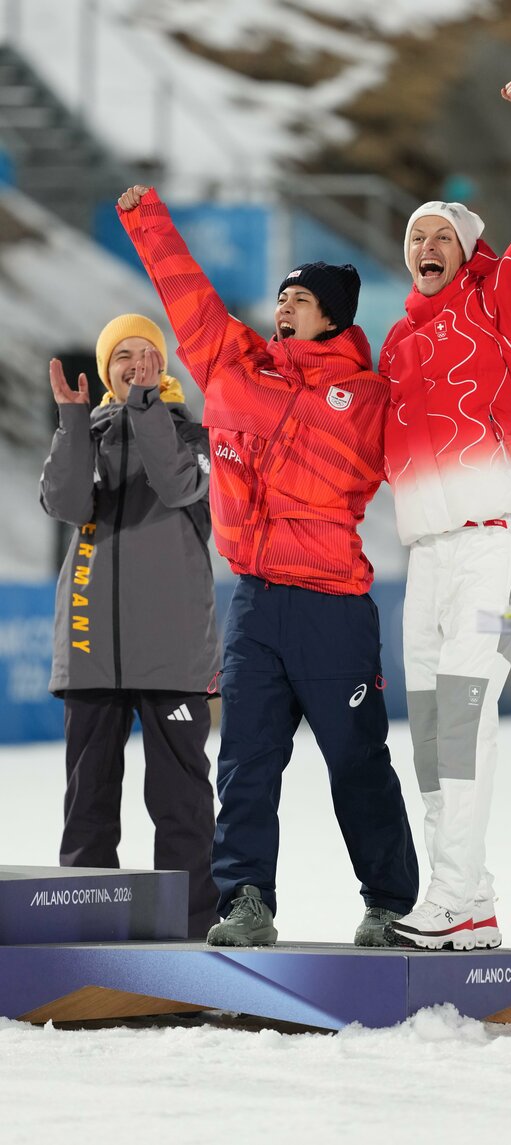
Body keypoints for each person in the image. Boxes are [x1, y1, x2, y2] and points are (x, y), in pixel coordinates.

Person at [116, 185, 419, 948]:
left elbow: (443, 443)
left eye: (302, 298)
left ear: (335, 314)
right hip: (254, 602)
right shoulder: (233, 365)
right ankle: (246, 899)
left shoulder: (373, 395)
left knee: (357, 764)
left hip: (334, 606)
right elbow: (185, 293)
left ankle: (390, 903)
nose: (284, 305)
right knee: (246, 761)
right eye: (281, 294)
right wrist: (147, 219)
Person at [380, 72, 511, 950]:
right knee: (428, 731)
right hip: (428, 554)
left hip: (491, 546)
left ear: (464, 249)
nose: (425, 243)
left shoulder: (501, 307)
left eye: (439, 233)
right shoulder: (397, 342)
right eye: (414, 235)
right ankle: (468, 900)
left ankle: (454, 896)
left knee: (462, 717)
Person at [40, 314, 220, 938]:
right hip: (90, 650)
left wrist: (144, 409)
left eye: (147, 353)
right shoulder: (82, 435)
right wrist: (70, 423)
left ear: (163, 367)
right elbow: (66, 504)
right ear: (106, 369)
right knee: (87, 804)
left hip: (171, 655)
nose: (135, 363)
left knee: (181, 807)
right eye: (123, 355)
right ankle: (87, 940)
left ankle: (191, 935)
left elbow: (175, 486)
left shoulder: (194, 435)